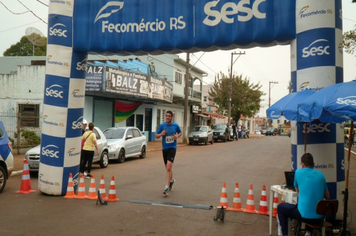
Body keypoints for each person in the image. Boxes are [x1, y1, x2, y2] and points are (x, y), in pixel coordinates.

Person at [277, 153, 330, 236]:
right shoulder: (321, 175)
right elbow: (327, 196)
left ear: (302, 164)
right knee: (311, 205)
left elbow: (297, 191)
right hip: (319, 218)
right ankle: (308, 232)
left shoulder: (298, 172)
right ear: (313, 164)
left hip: (303, 216)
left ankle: (284, 234)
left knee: (281, 207)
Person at [156, 111, 182, 195]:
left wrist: (176, 136)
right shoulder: (162, 125)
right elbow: (156, 136)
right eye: (166, 116)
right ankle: (171, 181)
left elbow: (180, 132)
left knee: (168, 167)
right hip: (165, 148)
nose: (167, 117)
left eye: (169, 116)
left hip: (172, 148)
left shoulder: (175, 125)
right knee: (167, 167)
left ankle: (166, 187)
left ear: (172, 117)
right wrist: (161, 134)